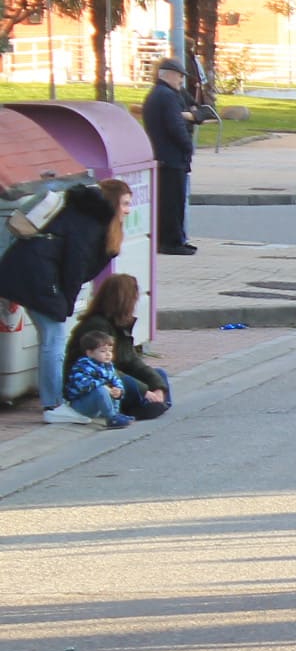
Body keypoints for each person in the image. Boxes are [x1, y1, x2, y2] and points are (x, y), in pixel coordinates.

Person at [0, 179, 127, 424]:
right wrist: (65, 303)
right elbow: (75, 266)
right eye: (124, 203)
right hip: (37, 278)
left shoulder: (85, 214)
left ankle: (53, 401)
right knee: (53, 338)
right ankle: (54, 405)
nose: (128, 209)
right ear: (112, 203)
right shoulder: (91, 222)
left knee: (51, 337)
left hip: (30, 274)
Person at [68, 273, 169, 420]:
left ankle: (157, 402)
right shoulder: (96, 325)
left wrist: (158, 388)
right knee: (126, 381)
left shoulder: (119, 322)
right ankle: (140, 406)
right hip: (92, 380)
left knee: (159, 374)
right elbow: (104, 369)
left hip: (114, 372)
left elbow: (132, 360)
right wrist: (144, 391)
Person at [143, 58, 197, 254]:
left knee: (170, 200)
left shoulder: (161, 94)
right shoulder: (167, 96)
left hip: (164, 155)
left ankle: (175, 239)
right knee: (172, 202)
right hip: (171, 156)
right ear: (168, 74)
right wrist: (187, 147)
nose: (181, 80)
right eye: (179, 76)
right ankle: (171, 242)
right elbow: (175, 126)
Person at [61, 328, 133, 429]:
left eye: (110, 351)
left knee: (113, 389)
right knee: (101, 390)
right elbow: (83, 384)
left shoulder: (107, 365)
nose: (108, 354)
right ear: (90, 353)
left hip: (97, 404)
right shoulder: (83, 366)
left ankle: (115, 413)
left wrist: (118, 390)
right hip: (81, 404)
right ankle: (111, 418)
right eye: (103, 351)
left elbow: (115, 379)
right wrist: (104, 387)